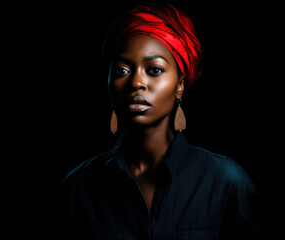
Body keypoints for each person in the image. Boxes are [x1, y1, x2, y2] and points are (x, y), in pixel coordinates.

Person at [53, 3, 262, 239]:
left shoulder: (227, 184)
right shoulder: (76, 189)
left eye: (154, 70)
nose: (136, 83)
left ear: (180, 85)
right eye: (122, 70)